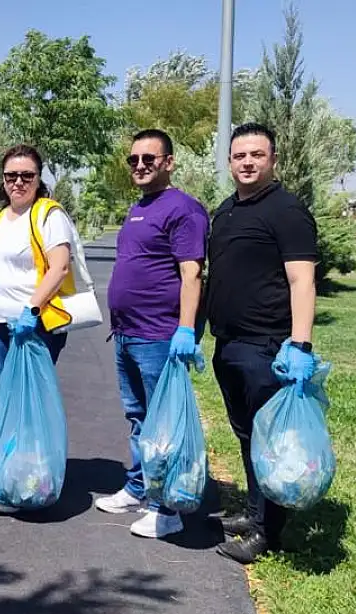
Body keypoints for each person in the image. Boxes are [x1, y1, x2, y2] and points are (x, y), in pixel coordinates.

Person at [206, 123, 318, 564]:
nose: (247, 162)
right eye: (239, 156)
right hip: (229, 343)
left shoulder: (286, 211)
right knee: (247, 435)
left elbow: (302, 280)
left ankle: (267, 533)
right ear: (230, 161)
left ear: (273, 159)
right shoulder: (226, 210)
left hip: (268, 346)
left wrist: (301, 345)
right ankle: (255, 514)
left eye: (256, 155)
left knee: (270, 441)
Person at [93, 129, 210, 539]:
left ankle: (167, 508)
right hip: (127, 333)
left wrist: (185, 329)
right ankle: (139, 486)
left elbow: (191, 273)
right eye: (134, 160)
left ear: (169, 162)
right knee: (138, 417)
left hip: (159, 335)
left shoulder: (184, 209)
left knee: (164, 423)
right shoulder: (138, 207)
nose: (140, 165)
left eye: (149, 158)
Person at [0, 144, 76, 378]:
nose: (18, 182)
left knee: (29, 400)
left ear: (38, 179)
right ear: (3, 179)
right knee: (6, 396)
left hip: (33, 324)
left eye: (27, 175)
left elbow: (60, 267)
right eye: (11, 176)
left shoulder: (49, 214)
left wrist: (31, 310)